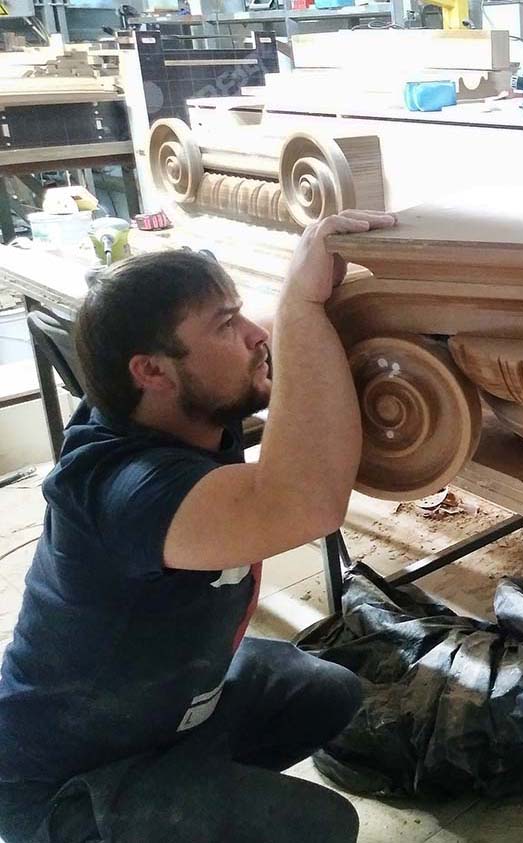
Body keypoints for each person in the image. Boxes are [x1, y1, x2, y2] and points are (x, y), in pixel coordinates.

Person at [0, 209, 396, 843]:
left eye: (238, 315)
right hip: (63, 786)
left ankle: (186, 798)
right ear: (152, 371)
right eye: (226, 325)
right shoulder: (126, 488)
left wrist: (311, 282)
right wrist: (301, 304)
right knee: (319, 826)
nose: (254, 335)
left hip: (150, 712)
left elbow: (265, 329)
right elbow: (304, 503)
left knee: (327, 693)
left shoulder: (172, 401)